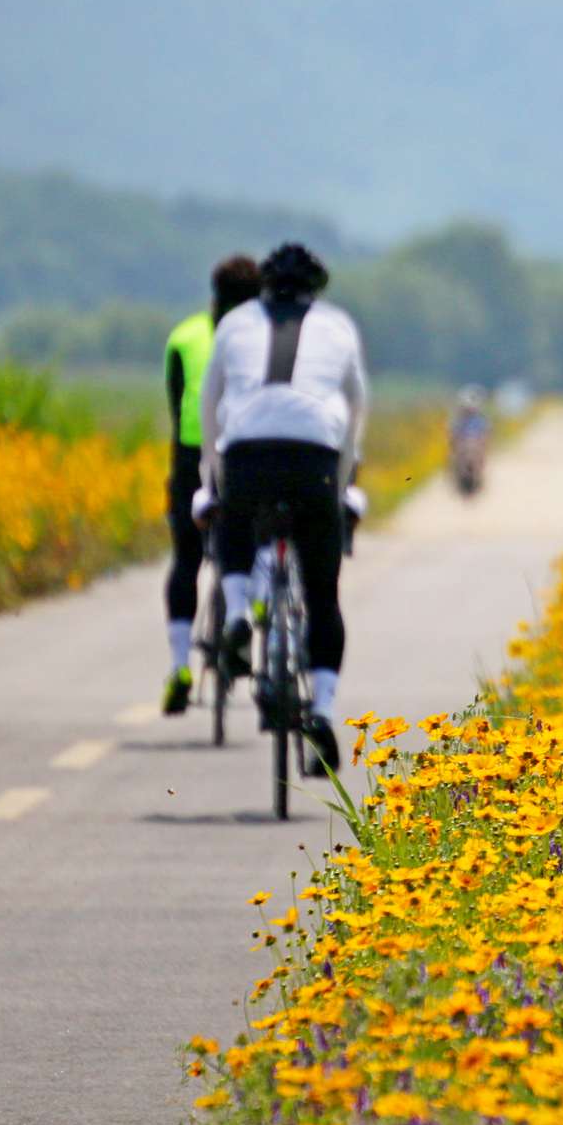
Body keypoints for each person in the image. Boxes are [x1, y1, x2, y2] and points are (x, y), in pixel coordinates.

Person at [195, 242, 367, 774]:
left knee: (234, 525)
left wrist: (211, 475)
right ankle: (321, 710)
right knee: (322, 593)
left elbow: (210, 404)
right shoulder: (338, 326)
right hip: (315, 452)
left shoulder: (236, 322)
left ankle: (241, 614)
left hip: (246, 447)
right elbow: (356, 410)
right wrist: (342, 484)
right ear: (317, 289)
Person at [161, 255, 261, 715]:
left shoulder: (184, 335)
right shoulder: (262, 334)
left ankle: (181, 666)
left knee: (186, 557)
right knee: (254, 545)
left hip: (191, 452)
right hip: (247, 450)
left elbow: (176, 400)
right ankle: (253, 614)